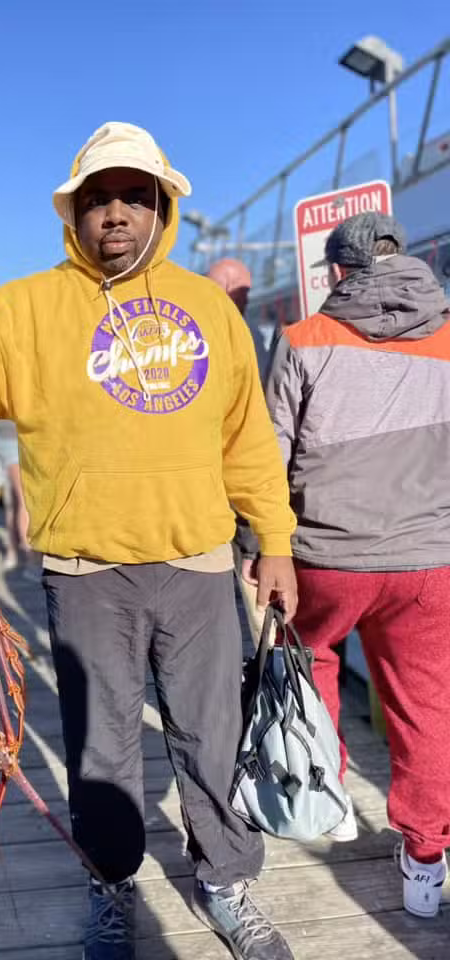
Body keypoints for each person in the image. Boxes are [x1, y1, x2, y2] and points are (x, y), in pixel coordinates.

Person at [0, 121, 298, 960]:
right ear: (73, 213)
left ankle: (224, 882)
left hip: (199, 562)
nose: (115, 212)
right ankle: (113, 885)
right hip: (86, 572)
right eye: (98, 198)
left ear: (161, 206)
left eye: (133, 196)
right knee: (102, 748)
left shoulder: (211, 309)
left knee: (210, 735)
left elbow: (249, 437)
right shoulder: (29, 307)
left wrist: (277, 541)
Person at [265, 211, 450, 919]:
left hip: (327, 554)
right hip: (430, 560)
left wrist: (260, 548)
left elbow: (269, 456)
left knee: (312, 665)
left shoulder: (305, 339)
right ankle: (426, 861)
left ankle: (331, 800)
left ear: (337, 272)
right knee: (426, 704)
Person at [206, 258, 267, 650]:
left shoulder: (190, 335)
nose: (246, 300)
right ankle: (269, 684)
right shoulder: (252, 339)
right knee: (253, 597)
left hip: (213, 491)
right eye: (243, 293)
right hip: (228, 492)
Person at [0, 420, 32, 571]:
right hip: (11, 439)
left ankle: (13, 551)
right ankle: (29, 556)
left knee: (14, 501)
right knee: (23, 498)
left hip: (21, 438)